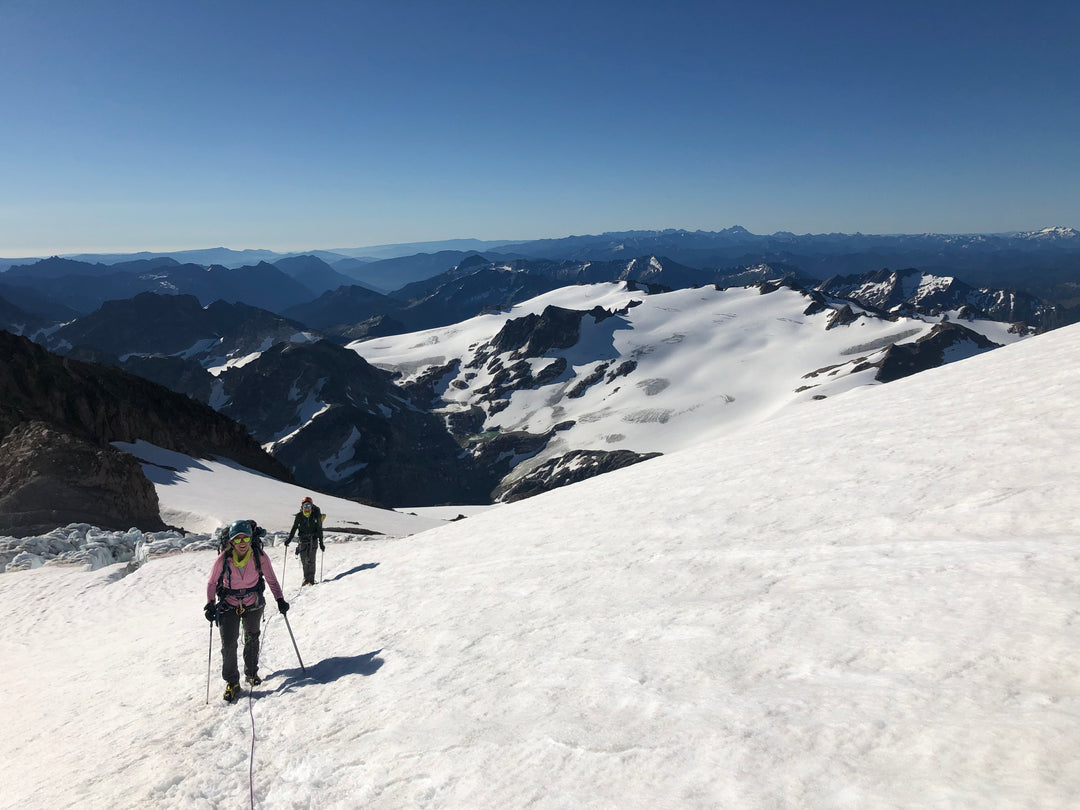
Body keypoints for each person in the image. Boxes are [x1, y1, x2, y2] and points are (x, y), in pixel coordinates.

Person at [204, 519, 289, 702]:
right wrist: (210, 603)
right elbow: (212, 582)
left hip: (253, 602)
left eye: (245, 539)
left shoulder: (259, 556)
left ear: (251, 539)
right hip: (229, 603)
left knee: (252, 637)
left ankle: (251, 672)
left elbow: (272, 579)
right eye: (238, 539)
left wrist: (279, 599)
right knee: (228, 644)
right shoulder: (224, 558)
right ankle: (232, 682)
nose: (242, 543)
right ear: (232, 542)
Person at [286, 496, 324, 586]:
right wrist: (289, 539)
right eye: (305, 506)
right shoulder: (299, 516)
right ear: (302, 506)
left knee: (311, 560)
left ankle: (311, 579)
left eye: (308, 505)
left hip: (313, 540)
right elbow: (294, 528)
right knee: (304, 560)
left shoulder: (315, 516)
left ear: (311, 506)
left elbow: (319, 529)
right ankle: (306, 578)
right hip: (303, 540)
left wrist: (321, 543)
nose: (307, 508)